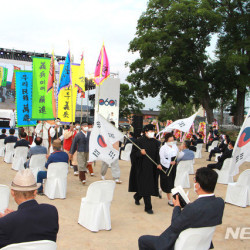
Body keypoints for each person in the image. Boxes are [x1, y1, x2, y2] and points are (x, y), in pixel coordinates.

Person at [138, 167, 225, 250]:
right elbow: (201, 213)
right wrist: (188, 205)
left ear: (197, 186)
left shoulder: (192, 208)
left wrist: (177, 206)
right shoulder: (220, 202)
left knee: (143, 240)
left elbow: (175, 225)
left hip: (181, 244)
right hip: (202, 243)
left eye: (194, 179)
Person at [0, 169, 59, 248]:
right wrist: (14, 215)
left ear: (12, 192)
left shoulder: (5, 223)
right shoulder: (51, 211)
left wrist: (9, 218)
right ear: (35, 192)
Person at [129, 124, 161, 214]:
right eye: (150, 131)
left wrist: (158, 164)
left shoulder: (155, 142)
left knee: (147, 186)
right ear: (146, 132)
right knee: (146, 186)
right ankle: (148, 207)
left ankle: (137, 196)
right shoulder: (138, 142)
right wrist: (140, 153)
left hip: (152, 167)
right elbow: (133, 155)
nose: (152, 133)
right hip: (141, 168)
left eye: (153, 131)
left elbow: (157, 155)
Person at [159, 133, 179, 206]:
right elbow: (162, 158)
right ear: (166, 140)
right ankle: (169, 200)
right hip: (166, 166)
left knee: (172, 181)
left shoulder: (175, 146)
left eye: (173, 140)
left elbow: (177, 155)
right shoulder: (163, 148)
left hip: (174, 165)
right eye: (170, 140)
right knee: (168, 182)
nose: (172, 141)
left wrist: (176, 161)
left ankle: (160, 190)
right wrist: (169, 162)